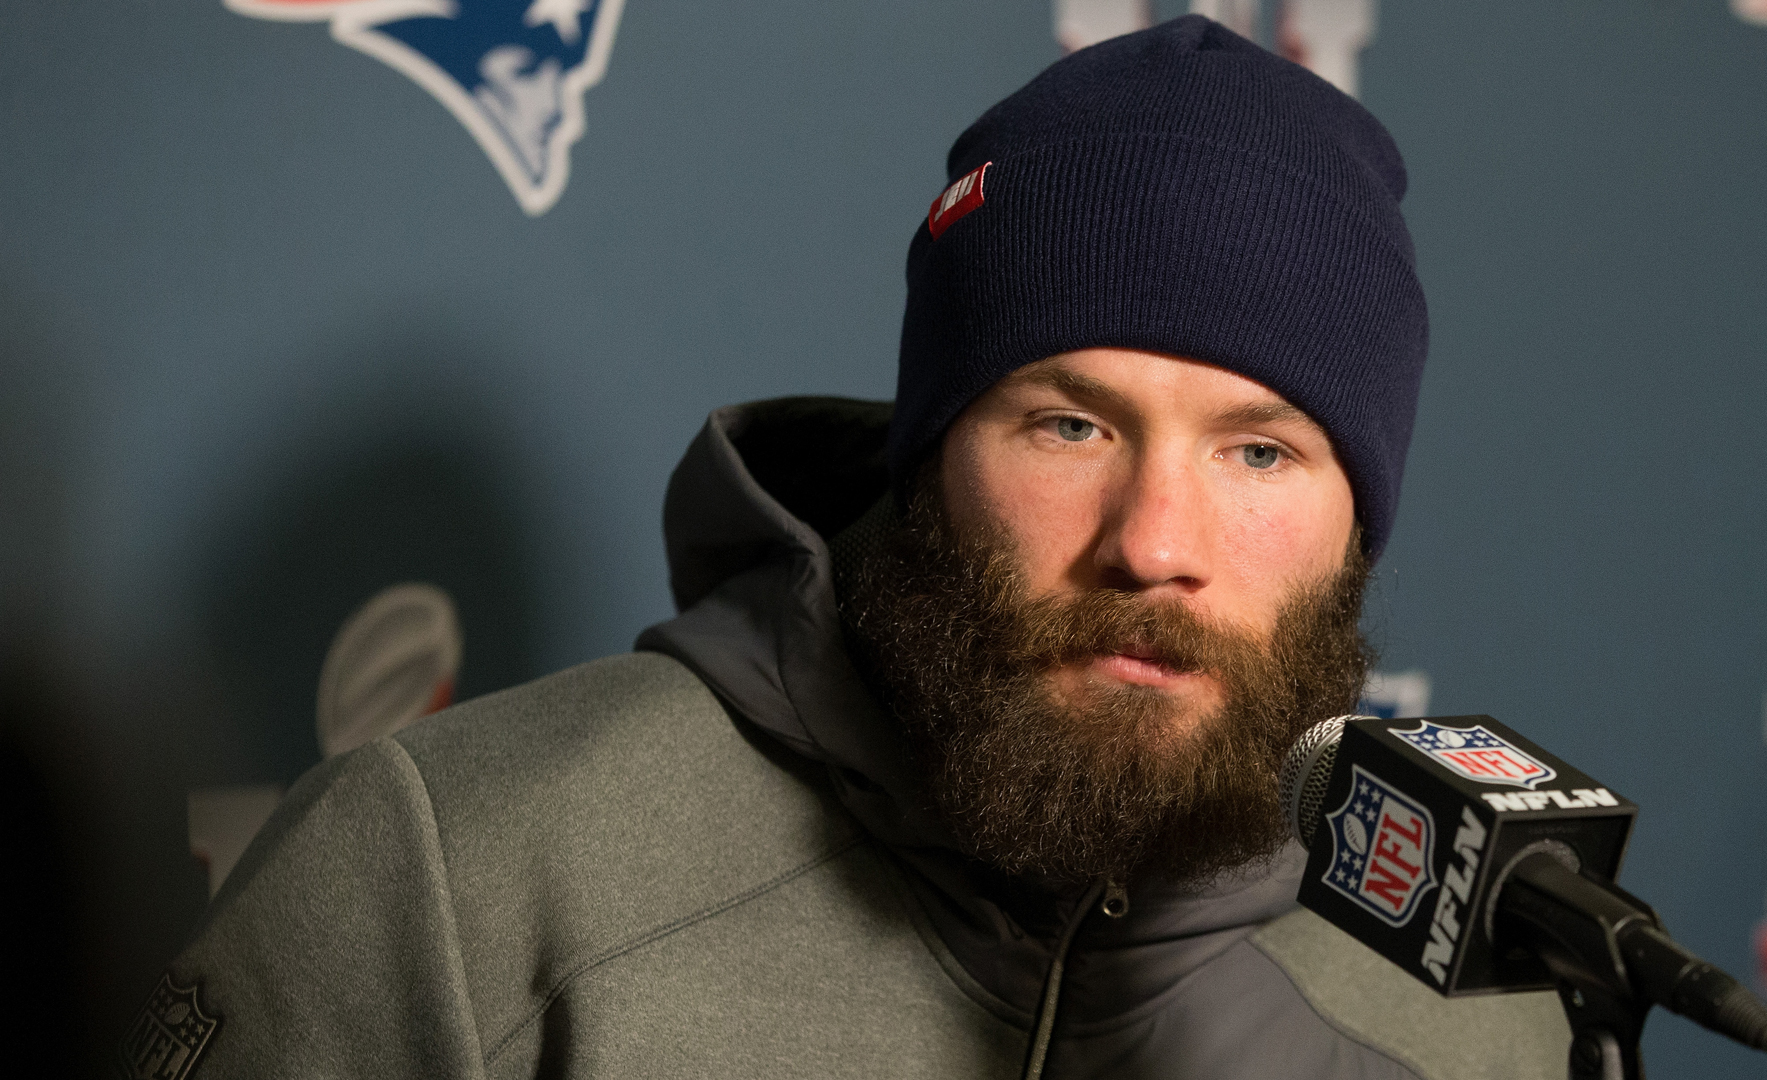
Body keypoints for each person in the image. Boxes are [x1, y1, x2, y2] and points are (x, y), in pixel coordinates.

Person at [130, 17, 1569, 1080]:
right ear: (931, 454)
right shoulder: (450, 877)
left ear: (1355, 524)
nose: (1155, 545)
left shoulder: (1488, 998)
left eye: (1259, 451)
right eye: (1070, 426)